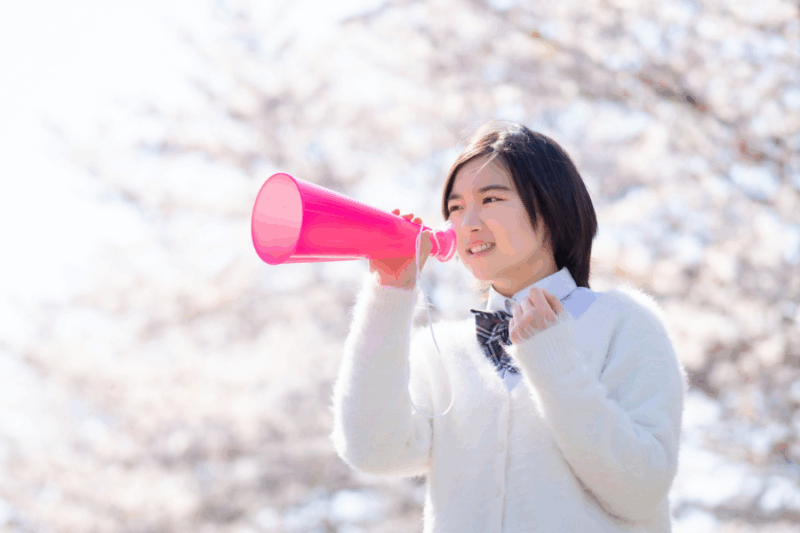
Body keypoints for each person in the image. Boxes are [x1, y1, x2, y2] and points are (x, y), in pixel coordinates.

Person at [330, 120, 687, 532]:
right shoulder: (445, 349)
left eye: (491, 199)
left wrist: (552, 359)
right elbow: (371, 449)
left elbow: (641, 488)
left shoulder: (625, 323)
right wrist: (390, 294)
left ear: (551, 205)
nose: (467, 223)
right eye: (455, 208)